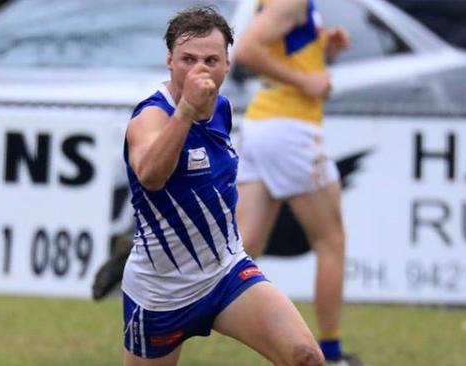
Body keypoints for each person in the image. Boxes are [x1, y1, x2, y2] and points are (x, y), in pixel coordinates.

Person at [121, 6, 326, 366]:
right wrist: (185, 110)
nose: (199, 69)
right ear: (169, 61)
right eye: (188, 59)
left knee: (305, 357)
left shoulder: (221, 109)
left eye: (211, 59)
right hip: (162, 293)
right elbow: (151, 176)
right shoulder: (150, 115)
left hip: (225, 274)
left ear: (227, 65)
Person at [233, 1, 364, 365]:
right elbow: (246, 49)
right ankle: (333, 354)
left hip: (262, 127)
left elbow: (282, 48)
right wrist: (306, 80)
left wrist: (324, 47)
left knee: (240, 250)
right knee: (331, 242)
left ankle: (162, 272)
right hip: (290, 131)